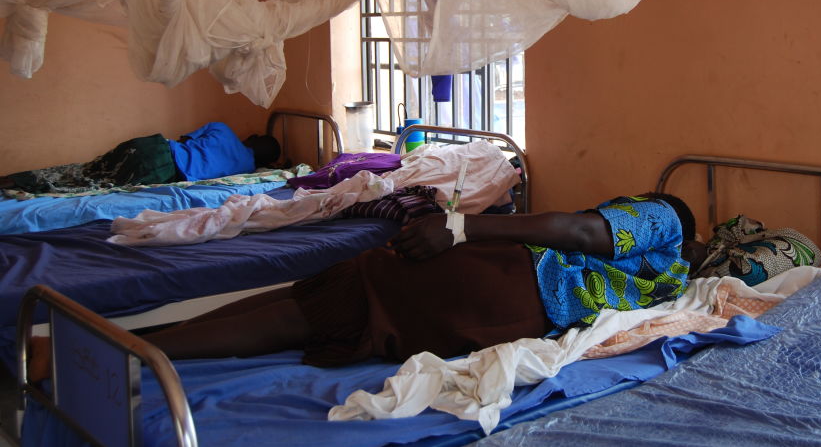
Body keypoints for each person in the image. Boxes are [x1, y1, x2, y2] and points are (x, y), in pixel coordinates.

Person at [84, 192, 705, 369]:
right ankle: (121, 347)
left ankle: (108, 351)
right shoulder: (676, 282)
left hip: (507, 280)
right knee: (310, 305)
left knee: (312, 308)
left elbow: (579, 231)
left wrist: (460, 226)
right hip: (511, 314)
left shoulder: (664, 219)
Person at [1, 122, 280, 194]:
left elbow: (186, 139)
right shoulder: (245, 169)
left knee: (85, 170)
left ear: (252, 138)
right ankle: (22, 184)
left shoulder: (223, 128)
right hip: (163, 169)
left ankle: (16, 179)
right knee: (90, 184)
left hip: (152, 146)